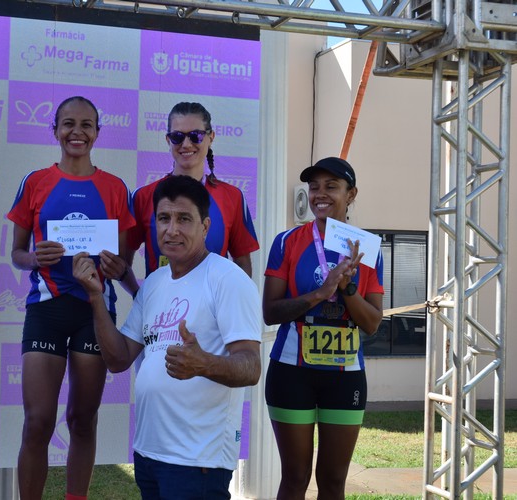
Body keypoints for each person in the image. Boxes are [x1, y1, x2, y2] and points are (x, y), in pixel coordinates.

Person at [73, 174, 262, 499]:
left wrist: (204, 364)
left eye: (184, 219)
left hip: (198, 461)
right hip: (149, 455)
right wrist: (95, 296)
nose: (171, 229)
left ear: (205, 227)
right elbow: (118, 359)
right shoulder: (155, 283)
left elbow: (251, 367)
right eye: (163, 218)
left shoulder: (228, 279)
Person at [6, 96, 137, 500]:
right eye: (67, 124)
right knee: (38, 422)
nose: (76, 132)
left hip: (93, 312)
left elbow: (122, 261)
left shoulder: (115, 188)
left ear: (98, 132)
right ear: (55, 130)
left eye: (85, 124)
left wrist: (123, 276)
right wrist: (34, 258)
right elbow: (17, 253)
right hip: (46, 309)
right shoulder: (35, 181)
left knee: (82, 420)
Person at [262, 156, 384, 499]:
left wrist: (346, 289)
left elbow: (372, 323)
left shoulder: (369, 248)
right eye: (314, 186)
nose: (320, 194)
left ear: (351, 193)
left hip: (345, 375)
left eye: (331, 186)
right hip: (291, 371)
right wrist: (321, 292)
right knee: (295, 477)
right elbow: (270, 312)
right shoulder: (287, 241)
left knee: (332, 481)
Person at [121, 102, 259, 286]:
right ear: (168, 140)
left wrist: (230, 304)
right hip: (160, 311)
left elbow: (242, 264)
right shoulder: (143, 196)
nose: (186, 144)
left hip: (212, 313)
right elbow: (122, 262)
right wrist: (141, 298)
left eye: (196, 136)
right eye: (177, 137)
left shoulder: (232, 197)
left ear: (211, 137)